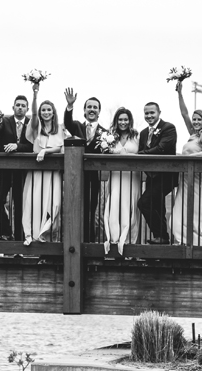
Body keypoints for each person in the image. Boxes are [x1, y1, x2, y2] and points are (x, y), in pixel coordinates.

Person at [171, 79, 202, 247]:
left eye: (199, 120)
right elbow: (184, 114)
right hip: (184, 178)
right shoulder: (192, 134)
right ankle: (183, 239)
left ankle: (201, 240)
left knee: (197, 208)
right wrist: (180, 93)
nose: (196, 122)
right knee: (181, 208)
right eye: (195, 120)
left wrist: (189, 158)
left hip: (195, 177)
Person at [63, 87, 107, 241]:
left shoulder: (106, 133)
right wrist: (69, 106)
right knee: (74, 208)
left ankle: (89, 241)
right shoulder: (77, 126)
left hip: (94, 177)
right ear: (84, 110)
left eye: (95, 107)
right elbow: (67, 122)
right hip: (76, 175)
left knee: (91, 210)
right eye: (89, 107)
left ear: (99, 111)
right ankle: (74, 239)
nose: (92, 109)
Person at [21, 84, 63, 244]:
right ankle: (32, 236)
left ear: (53, 112)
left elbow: (61, 147)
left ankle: (48, 237)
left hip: (53, 173)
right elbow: (33, 112)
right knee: (34, 203)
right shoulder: (36, 126)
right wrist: (35, 95)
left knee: (54, 204)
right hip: (37, 171)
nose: (46, 112)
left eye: (49, 110)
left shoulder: (59, 128)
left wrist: (46, 151)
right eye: (43, 110)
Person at [0, 95, 33, 241]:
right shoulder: (5, 121)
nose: (20, 107)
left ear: (27, 108)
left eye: (23, 105)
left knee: (19, 206)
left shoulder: (31, 123)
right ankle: (7, 231)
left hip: (23, 171)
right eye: (17, 105)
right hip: (4, 170)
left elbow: (33, 146)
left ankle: (20, 242)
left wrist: (17, 146)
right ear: (13, 107)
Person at [136, 102, 178, 245]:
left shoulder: (168, 128)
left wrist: (141, 154)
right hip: (151, 177)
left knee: (144, 203)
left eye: (152, 112)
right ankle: (163, 238)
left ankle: (160, 235)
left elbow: (162, 148)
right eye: (146, 113)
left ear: (159, 112)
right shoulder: (143, 133)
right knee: (158, 208)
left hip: (166, 175)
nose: (149, 116)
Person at [102, 107, 140, 255]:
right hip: (116, 176)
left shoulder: (136, 136)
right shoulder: (111, 136)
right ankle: (114, 240)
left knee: (131, 207)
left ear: (130, 121)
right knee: (115, 205)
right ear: (116, 121)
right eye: (120, 119)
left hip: (132, 177)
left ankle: (130, 243)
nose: (123, 122)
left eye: (125, 119)